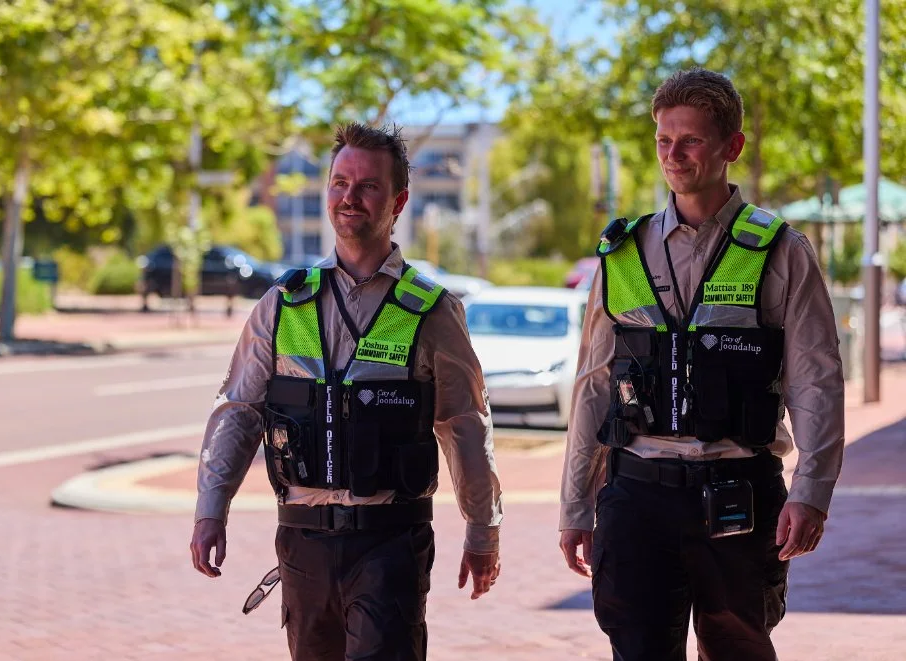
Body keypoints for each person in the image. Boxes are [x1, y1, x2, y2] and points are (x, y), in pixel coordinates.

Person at [558, 68, 845, 661]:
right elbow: (593, 389)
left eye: (690, 140)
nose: (673, 154)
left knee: (737, 649)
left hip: (738, 495)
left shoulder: (782, 251)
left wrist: (812, 491)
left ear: (731, 148)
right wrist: (575, 505)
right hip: (636, 496)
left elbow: (815, 380)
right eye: (664, 140)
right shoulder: (623, 254)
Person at [190, 122, 503, 661]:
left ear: (398, 200)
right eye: (339, 182)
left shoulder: (432, 311)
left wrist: (482, 529)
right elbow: (240, 411)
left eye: (367, 186)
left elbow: (465, 425)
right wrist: (210, 507)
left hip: (390, 539)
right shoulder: (283, 304)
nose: (348, 197)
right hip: (302, 540)